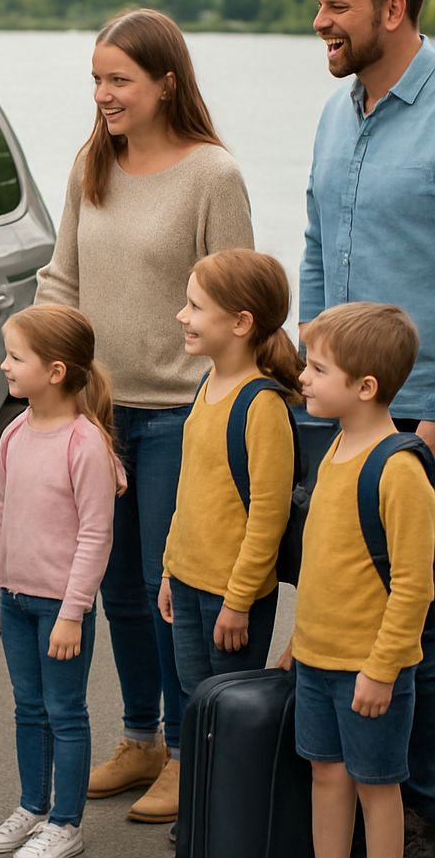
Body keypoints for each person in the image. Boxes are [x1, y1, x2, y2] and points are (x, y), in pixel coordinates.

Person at [35, 8, 253, 824]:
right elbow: (62, 279)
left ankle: (187, 745)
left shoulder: (212, 176)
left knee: (170, 592)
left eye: (118, 80)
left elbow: (240, 309)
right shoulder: (93, 164)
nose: (103, 95)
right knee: (116, 589)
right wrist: (45, 373)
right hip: (99, 417)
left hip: (178, 420)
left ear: (167, 82)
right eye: (96, 79)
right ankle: (141, 738)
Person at [299, 0, 435, 834]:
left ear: (393, 9)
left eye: (336, 6)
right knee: (352, 622)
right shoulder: (336, 109)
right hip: (338, 418)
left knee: (421, 634)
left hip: (422, 423)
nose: (320, 23)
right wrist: (303, 367)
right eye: (318, 5)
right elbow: (314, 245)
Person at [277, 303, 435, 858]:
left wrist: (382, 669)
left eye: (318, 369)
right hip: (318, 663)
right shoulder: (335, 448)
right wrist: (301, 641)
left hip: (371, 671)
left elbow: (415, 586)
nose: (303, 377)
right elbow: (326, 566)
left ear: (365, 386)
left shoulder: (400, 469)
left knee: (377, 787)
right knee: (327, 778)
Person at [0, 305, 125, 858]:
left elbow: (95, 536)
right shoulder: (14, 432)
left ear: (56, 371)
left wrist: (72, 611)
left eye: (16, 357)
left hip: (62, 607)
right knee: (28, 707)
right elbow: (0, 512)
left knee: (65, 712)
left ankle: (66, 823)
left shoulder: (84, 445)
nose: (4, 366)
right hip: (15, 600)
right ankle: (32, 808)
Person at [159, 250, 299, 701]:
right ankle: (193, 774)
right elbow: (188, 493)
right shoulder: (205, 384)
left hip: (231, 598)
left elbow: (268, 515)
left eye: (196, 307)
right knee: (194, 700)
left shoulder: (262, 406)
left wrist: (239, 601)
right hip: (185, 582)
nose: (182, 315)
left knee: (226, 709)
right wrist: (168, 570)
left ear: (241, 323)